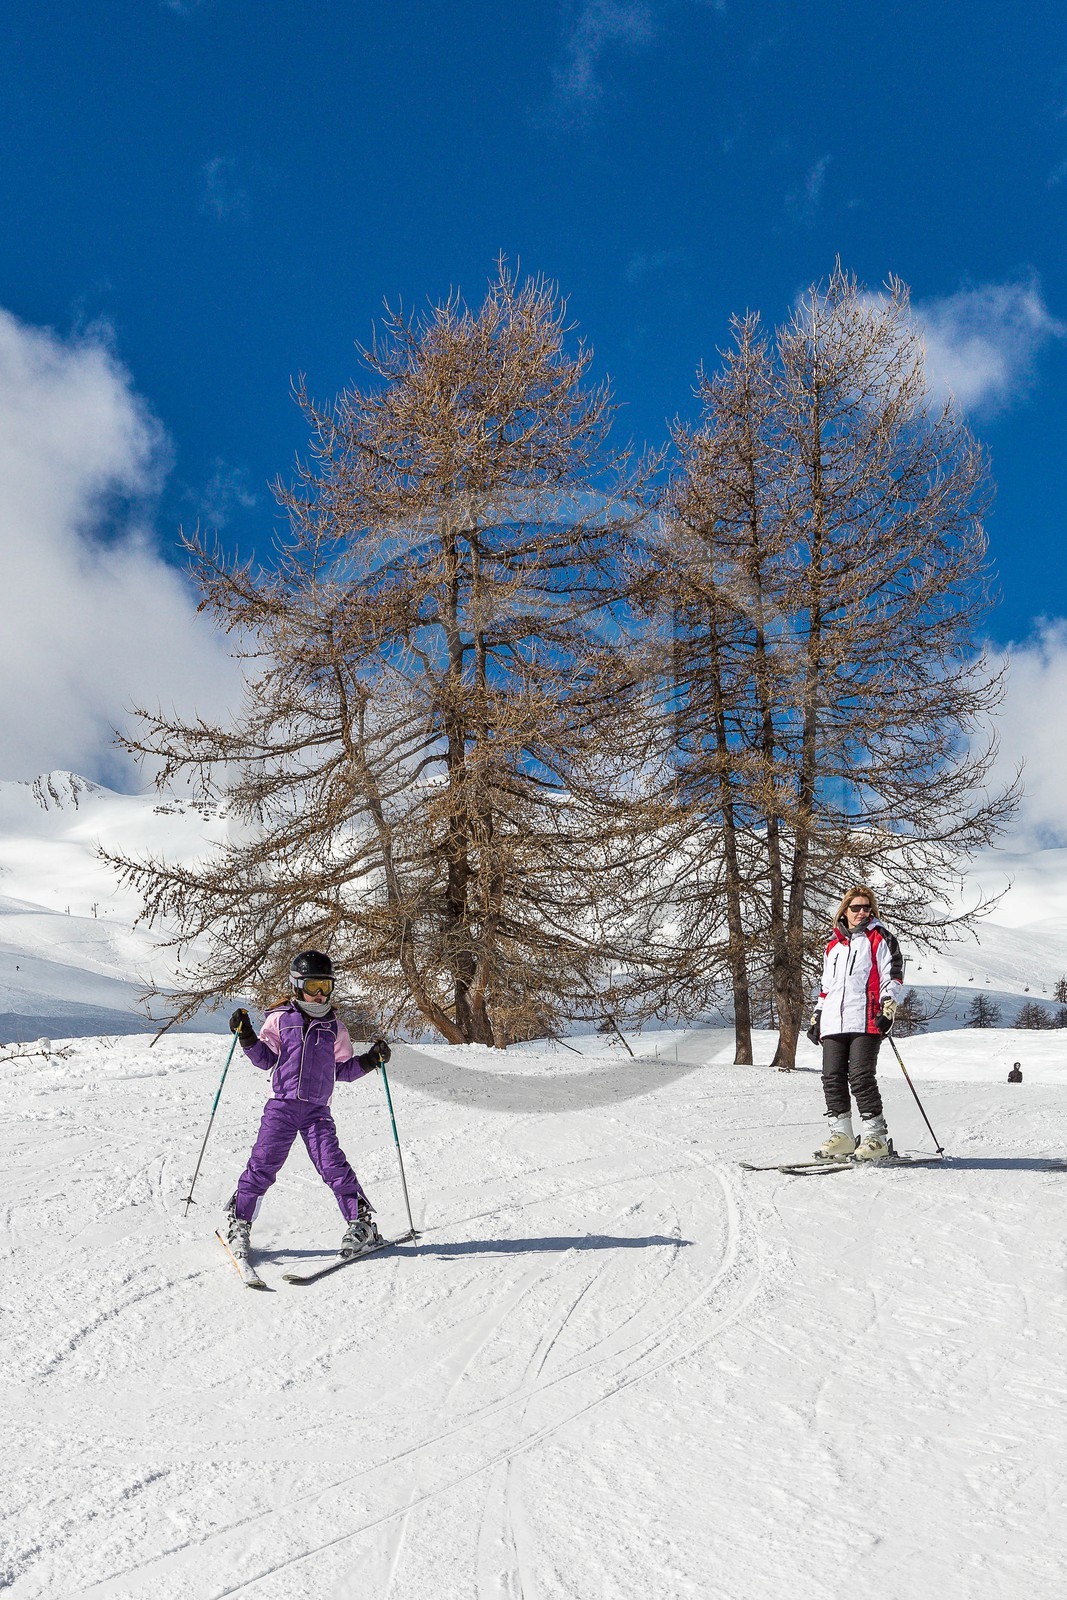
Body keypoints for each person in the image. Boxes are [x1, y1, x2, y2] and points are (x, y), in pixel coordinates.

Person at [224, 950, 391, 1259]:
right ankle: (240, 1222)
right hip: (282, 1107)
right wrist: (247, 1036)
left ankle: (361, 1223)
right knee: (262, 1164)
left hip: (317, 1111)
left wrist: (369, 1061)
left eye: (325, 987)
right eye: (313, 986)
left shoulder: (335, 1028)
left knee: (333, 1166)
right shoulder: (280, 1019)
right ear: (296, 985)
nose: (319, 995)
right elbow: (265, 1059)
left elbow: (341, 1069)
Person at [806, 886, 904, 1161]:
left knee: (860, 1078)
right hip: (834, 1021)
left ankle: (876, 1138)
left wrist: (888, 1006)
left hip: (866, 1017)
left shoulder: (880, 938)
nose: (862, 912)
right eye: (856, 907)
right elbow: (827, 987)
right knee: (832, 1078)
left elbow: (892, 975)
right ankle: (843, 1136)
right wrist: (817, 1014)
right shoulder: (833, 946)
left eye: (866, 907)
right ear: (845, 911)